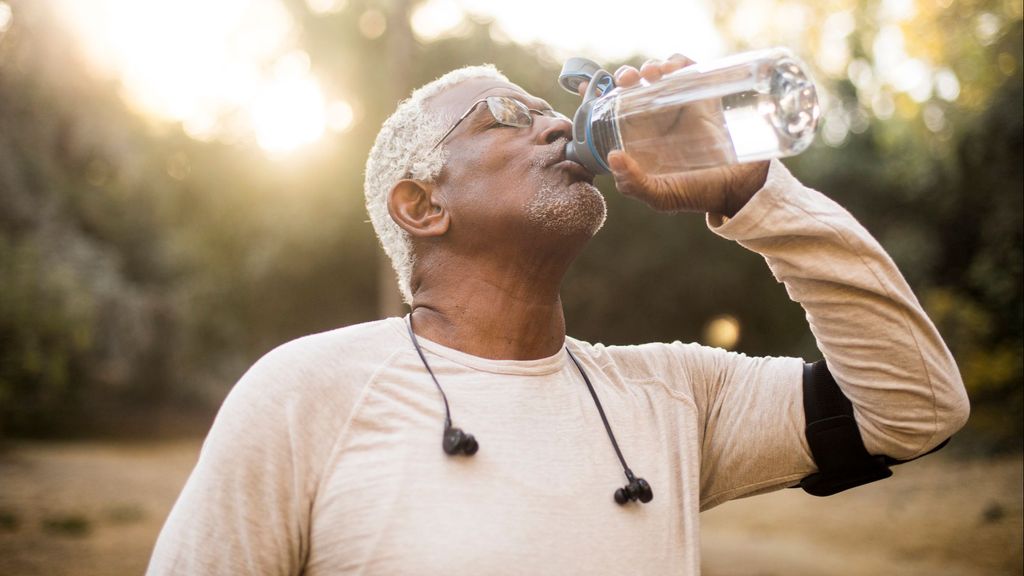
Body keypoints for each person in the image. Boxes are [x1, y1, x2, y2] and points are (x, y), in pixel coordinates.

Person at [147, 55, 970, 575]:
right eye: (505, 115)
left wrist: (756, 195)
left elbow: (916, 406)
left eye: (548, 107)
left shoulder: (674, 395)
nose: (551, 121)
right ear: (421, 205)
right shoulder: (305, 393)